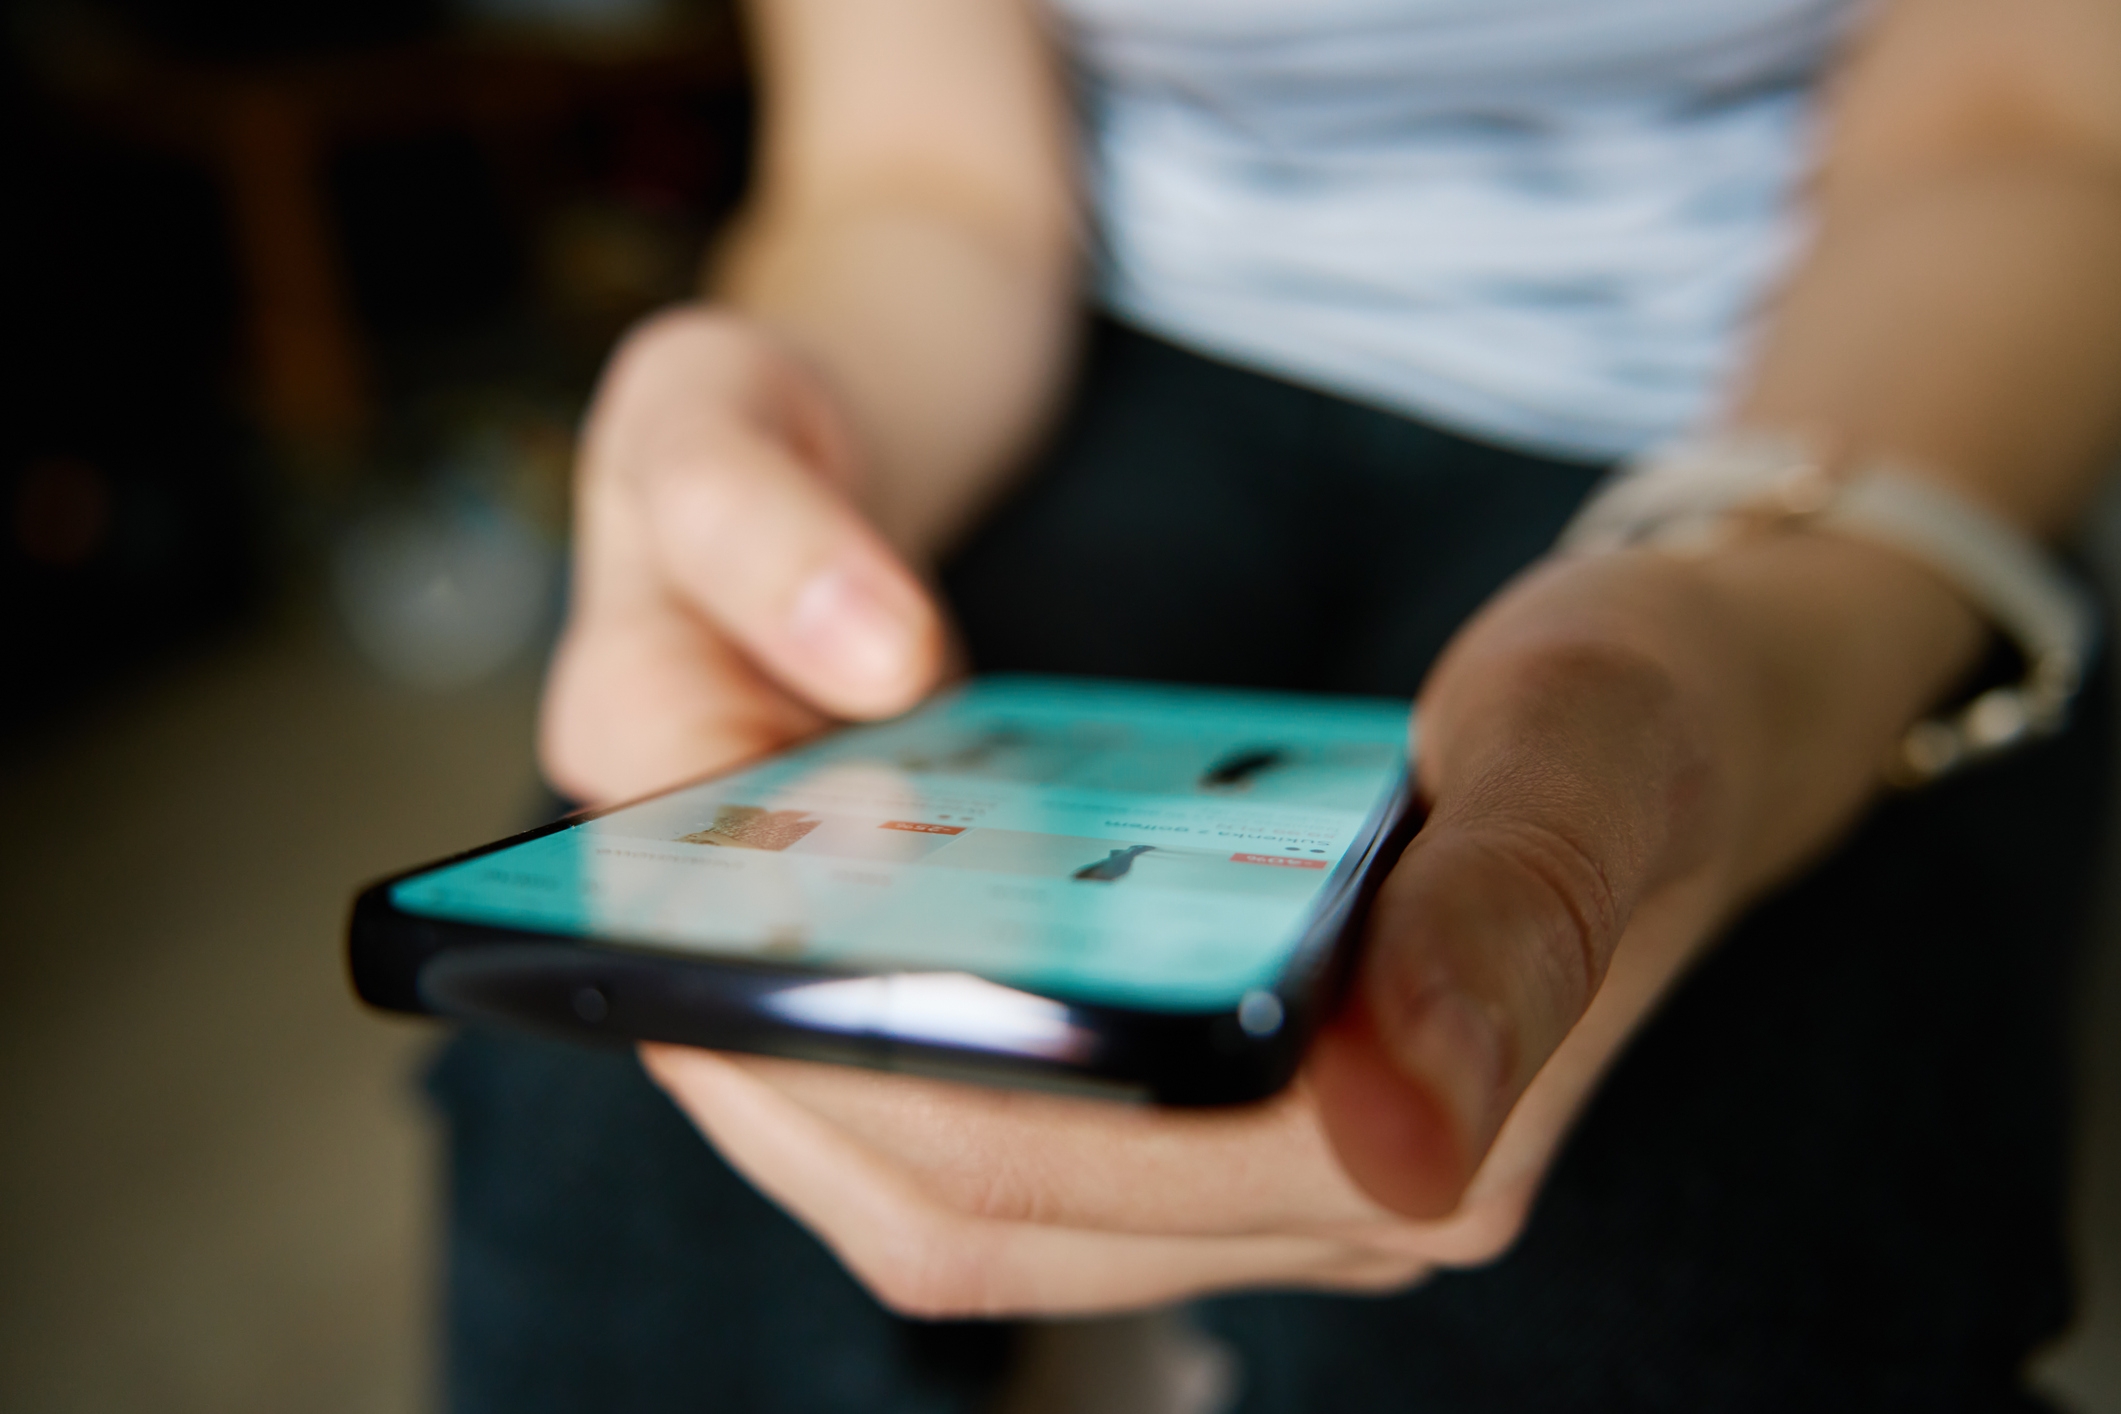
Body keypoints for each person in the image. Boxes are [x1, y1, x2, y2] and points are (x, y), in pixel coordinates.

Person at [428, 1, 2121, 1409]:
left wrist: (1786, 625)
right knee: (612, 1126)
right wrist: (771, 429)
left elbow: (2028, 137)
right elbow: (919, 174)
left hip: (1817, 377)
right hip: (1113, 338)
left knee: (1663, 1270)